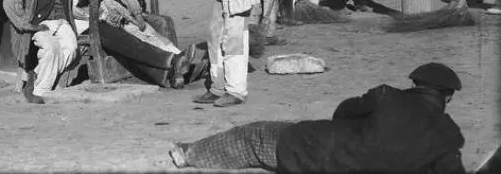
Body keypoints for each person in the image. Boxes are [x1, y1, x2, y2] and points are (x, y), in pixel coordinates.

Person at [170, 62, 466, 173]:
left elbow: (344, 110)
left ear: (415, 85)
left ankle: (188, 153)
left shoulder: (387, 96)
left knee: (252, 136)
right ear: (448, 97)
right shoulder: (448, 134)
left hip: (316, 152)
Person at [72, 0, 194, 89]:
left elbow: (117, 3)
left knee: (142, 35)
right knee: (130, 41)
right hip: (90, 26)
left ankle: (173, 69)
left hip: (109, 23)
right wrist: (105, 14)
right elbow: (77, 10)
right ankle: (172, 61)